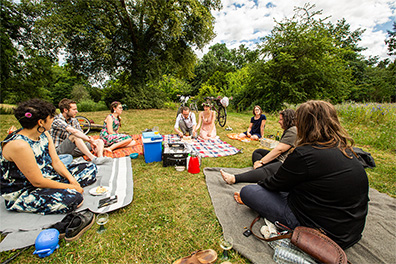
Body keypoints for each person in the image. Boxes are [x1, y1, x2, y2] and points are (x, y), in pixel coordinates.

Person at [239, 100, 369, 249]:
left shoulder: (305, 154)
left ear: (305, 124)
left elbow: (275, 184)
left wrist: (261, 184)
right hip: (350, 231)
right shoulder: (348, 151)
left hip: (323, 233)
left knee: (249, 191)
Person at [0, 99, 97, 214]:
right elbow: (37, 182)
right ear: (41, 122)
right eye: (51, 118)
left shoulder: (44, 134)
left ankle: (64, 187)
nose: (53, 120)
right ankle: (63, 190)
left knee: (90, 168)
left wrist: (72, 180)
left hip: (48, 175)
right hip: (27, 189)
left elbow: (56, 161)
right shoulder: (19, 145)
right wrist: (72, 188)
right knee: (74, 198)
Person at [221, 109, 297, 185]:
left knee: (267, 170)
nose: (278, 121)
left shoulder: (293, 131)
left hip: (284, 162)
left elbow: (279, 150)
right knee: (257, 152)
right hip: (279, 158)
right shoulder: (289, 129)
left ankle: (234, 178)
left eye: (281, 119)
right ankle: (260, 171)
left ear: (287, 120)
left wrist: (261, 161)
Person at [50, 98, 111, 165]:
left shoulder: (74, 120)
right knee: (75, 136)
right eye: (74, 109)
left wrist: (92, 141)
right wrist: (90, 141)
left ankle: (100, 158)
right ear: (65, 110)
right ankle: (93, 158)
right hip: (59, 150)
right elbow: (74, 132)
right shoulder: (56, 120)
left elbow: (81, 134)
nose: (77, 111)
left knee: (99, 141)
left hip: (74, 148)